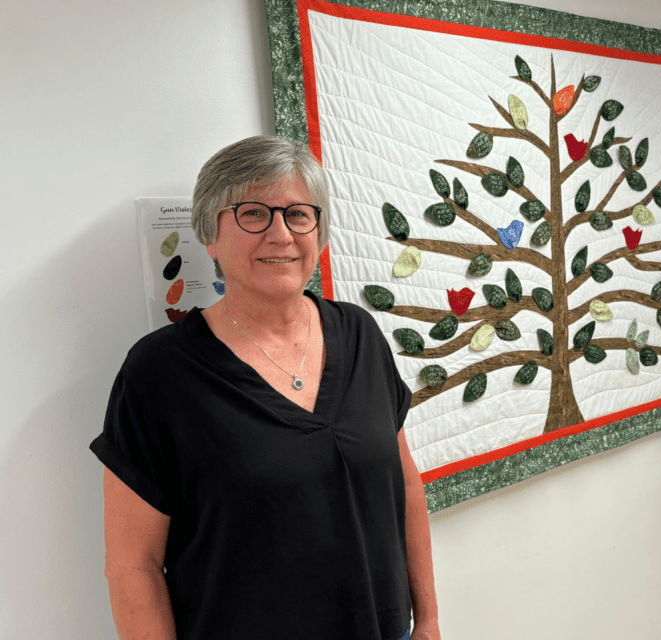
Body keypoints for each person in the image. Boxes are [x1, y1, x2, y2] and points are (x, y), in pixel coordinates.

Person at [90, 135, 441, 640]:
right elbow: (132, 566)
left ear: (318, 233)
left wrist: (426, 621)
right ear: (210, 233)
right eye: (253, 213)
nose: (281, 234)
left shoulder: (359, 333)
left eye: (299, 214)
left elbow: (404, 486)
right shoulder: (159, 373)